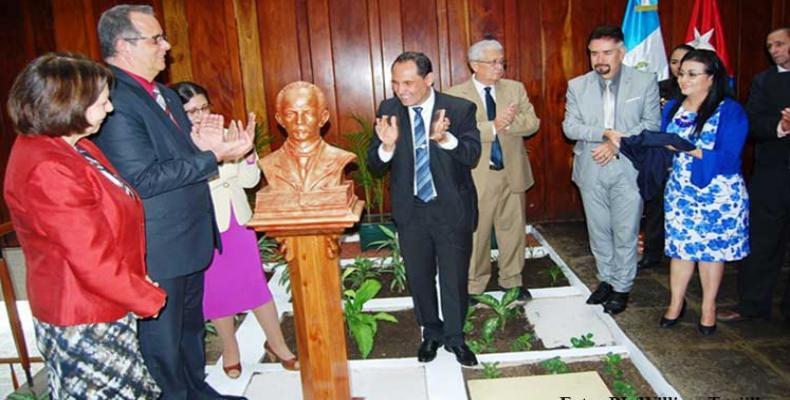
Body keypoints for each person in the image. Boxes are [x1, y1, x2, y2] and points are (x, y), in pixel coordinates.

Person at [93, 5, 253, 399]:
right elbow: (143, 180)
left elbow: (181, 157)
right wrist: (211, 157)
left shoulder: (162, 93)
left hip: (190, 235)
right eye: (156, 39)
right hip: (157, 245)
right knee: (162, 343)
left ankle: (196, 390)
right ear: (123, 46)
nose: (167, 46)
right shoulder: (114, 98)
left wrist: (210, 146)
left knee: (189, 330)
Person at [3, 52, 166, 399]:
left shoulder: (74, 147)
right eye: (102, 102)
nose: (109, 109)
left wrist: (134, 278)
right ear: (68, 104)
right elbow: (89, 257)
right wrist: (144, 295)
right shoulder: (48, 167)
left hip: (102, 300)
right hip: (84, 314)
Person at [171, 81, 298, 378]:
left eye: (203, 107)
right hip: (205, 225)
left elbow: (249, 181)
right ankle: (231, 349)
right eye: (191, 111)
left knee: (256, 287)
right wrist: (215, 156)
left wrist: (248, 152)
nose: (200, 115)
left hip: (238, 222)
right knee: (217, 292)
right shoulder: (176, 143)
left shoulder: (227, 133)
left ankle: (277, 344)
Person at [367, 51, 481, 366]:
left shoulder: (459, 109)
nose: (400, 90)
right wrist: (386, 146)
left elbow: (471, 154)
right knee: (419, 277)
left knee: (454, 277)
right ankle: (431, 332)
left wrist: (446, 139)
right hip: (411, 210)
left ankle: (456, 338)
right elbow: (373, 164)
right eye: (395, 83)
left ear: (428, 79)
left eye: (408, 82)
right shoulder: (388, 110)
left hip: (450, 209)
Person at [562, 25, 661, 315]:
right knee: (599, 230)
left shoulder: (644, 82)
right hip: (590, 167)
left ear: (622, 52)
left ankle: (622, 286)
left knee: (625, 230)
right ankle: (605, 279)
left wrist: (617, 145)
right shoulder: (577, 85)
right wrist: (606, 133)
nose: (599, 60)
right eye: (594, 53)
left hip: (628, 168)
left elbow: (651, 125)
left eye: (607, 52)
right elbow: (570, 127)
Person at [659, 49, 750, 335]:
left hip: (717, 194)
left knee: (712, 253)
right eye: (682, 73)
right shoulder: (672, 107)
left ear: (711, 78)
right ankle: (675, 303)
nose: (683, 79)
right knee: (680, 250)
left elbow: (729, 157)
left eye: (692, 74)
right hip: (681, 191)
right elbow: (663, 143)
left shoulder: (729, 110)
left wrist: (689, 148)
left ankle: (708, 307)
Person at [444, 39, 540, 303]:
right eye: (493, 62)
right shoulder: (454, 95)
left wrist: (508, 125)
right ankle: (474, 285)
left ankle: (513, 281)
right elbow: (454, 134)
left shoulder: (514, 88)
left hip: (512, 173)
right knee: (477, 233)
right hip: (476, 176)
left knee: (513, 231)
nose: (500, 67)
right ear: (474, 65)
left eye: (502, 61)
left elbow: (532, 122)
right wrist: (492, 126)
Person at [718, 27, 790, 324]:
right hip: (772, 174)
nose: (773, 50)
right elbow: (753, 124)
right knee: (762, 242)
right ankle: (752, 305)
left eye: (780, 44)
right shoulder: (764, 81)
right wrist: (782, 126)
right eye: (769, 45)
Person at [640, 43, 694, 270]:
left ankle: (685, 254)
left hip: (688, 159)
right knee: (655, 206)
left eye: (683, 62)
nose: (677, 67)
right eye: (673, 62)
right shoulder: (658, 88)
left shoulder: (701, 92)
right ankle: (652, 253)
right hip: (659, 156)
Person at [260, 81, 356, 192]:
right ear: (280, 120)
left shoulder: (339, 159)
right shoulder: (269, 163)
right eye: (291, 114)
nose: (299, 121)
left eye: (308, 113)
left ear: (323, 117)